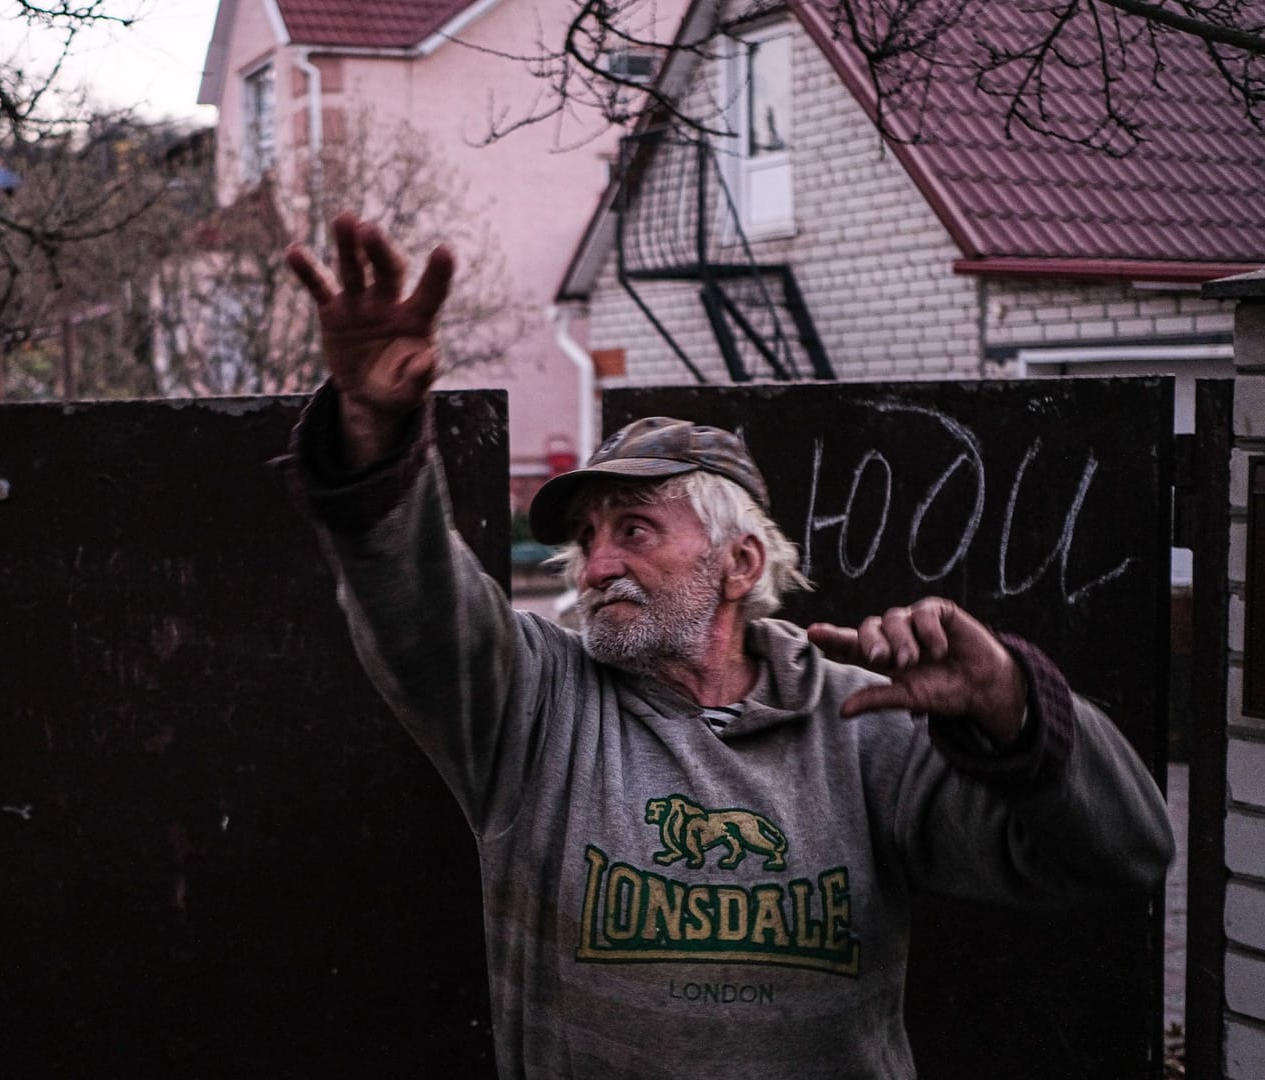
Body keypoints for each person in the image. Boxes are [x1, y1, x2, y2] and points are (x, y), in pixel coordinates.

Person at [280, 214, 1172, 1079]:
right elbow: (416, 607)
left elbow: (1122, 855)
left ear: (740, 562)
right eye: (586, 540)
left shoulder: (864, 721)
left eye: (634, 529)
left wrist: (1017, 707)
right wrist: (375, 434)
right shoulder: (532, 705)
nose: (596, 566)